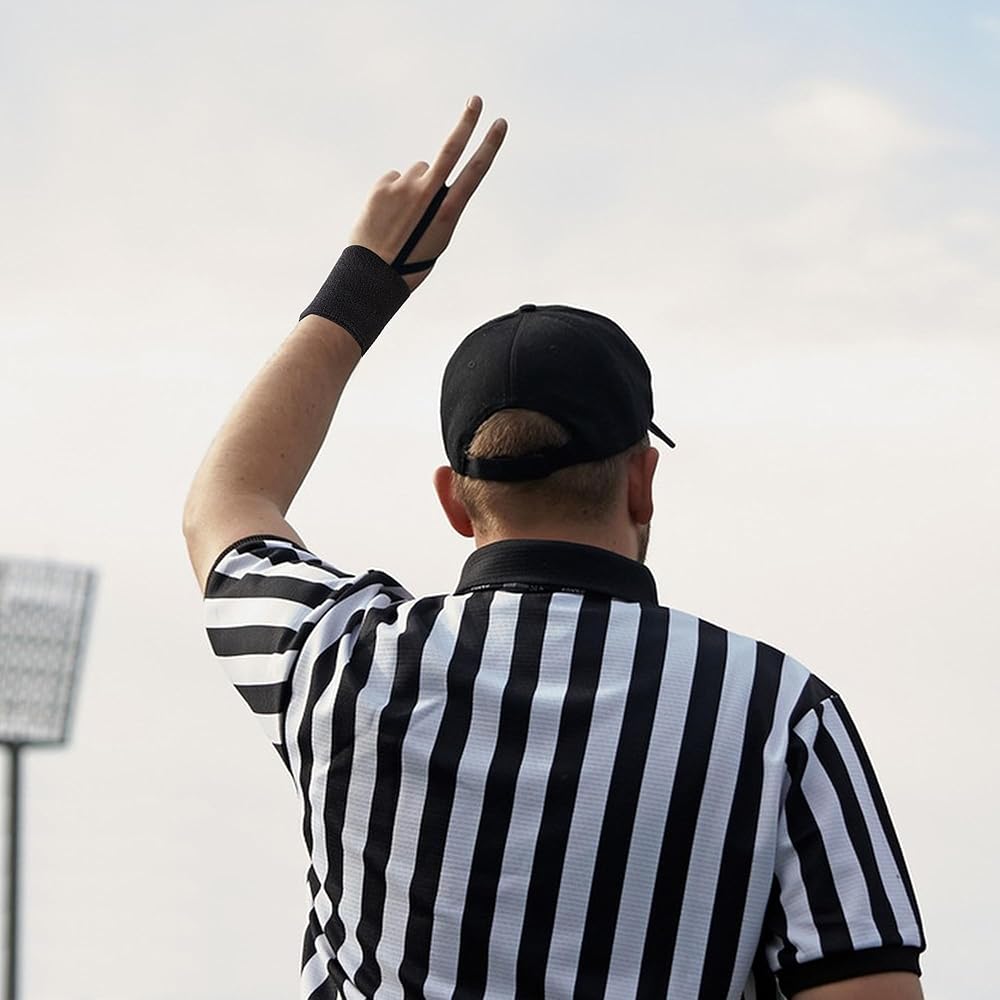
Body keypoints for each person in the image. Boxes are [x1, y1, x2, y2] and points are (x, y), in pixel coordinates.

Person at [184, 96, 926, 1000]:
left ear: (455, 501)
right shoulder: (779, 715)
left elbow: (228, 502)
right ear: (642, 480)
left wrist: (366, 282)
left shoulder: (338, 663)